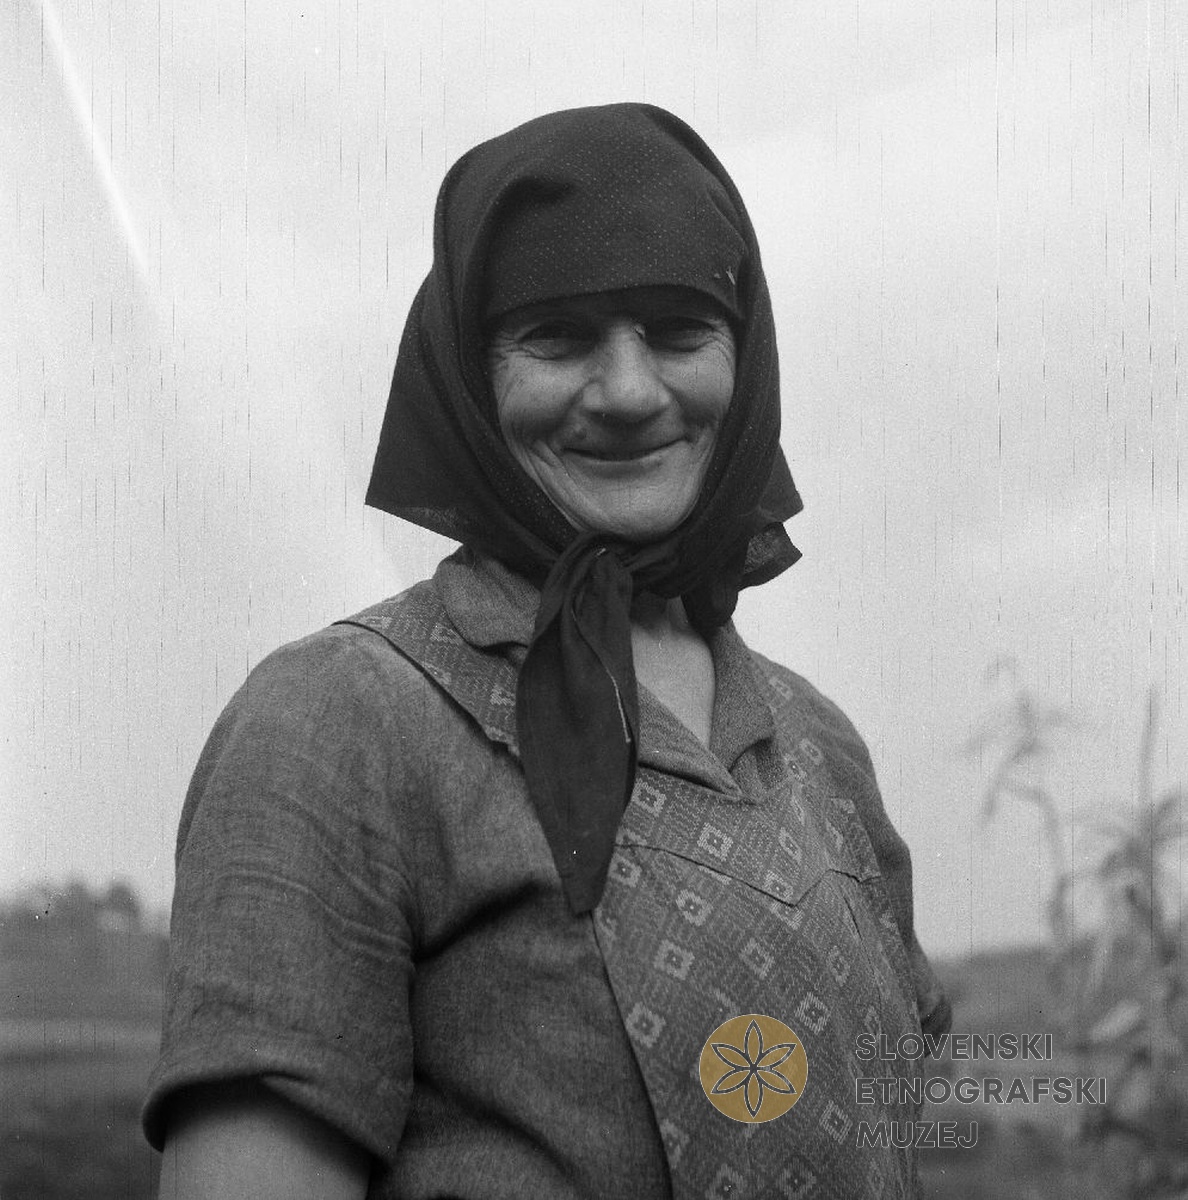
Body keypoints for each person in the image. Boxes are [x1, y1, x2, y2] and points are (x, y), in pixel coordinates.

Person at [144, 103, 950, 1199]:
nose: (629, 392)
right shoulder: (338, 723)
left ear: (747, 357)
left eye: (680, 330)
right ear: (466, 379)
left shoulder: (818, 744)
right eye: (557, 338)